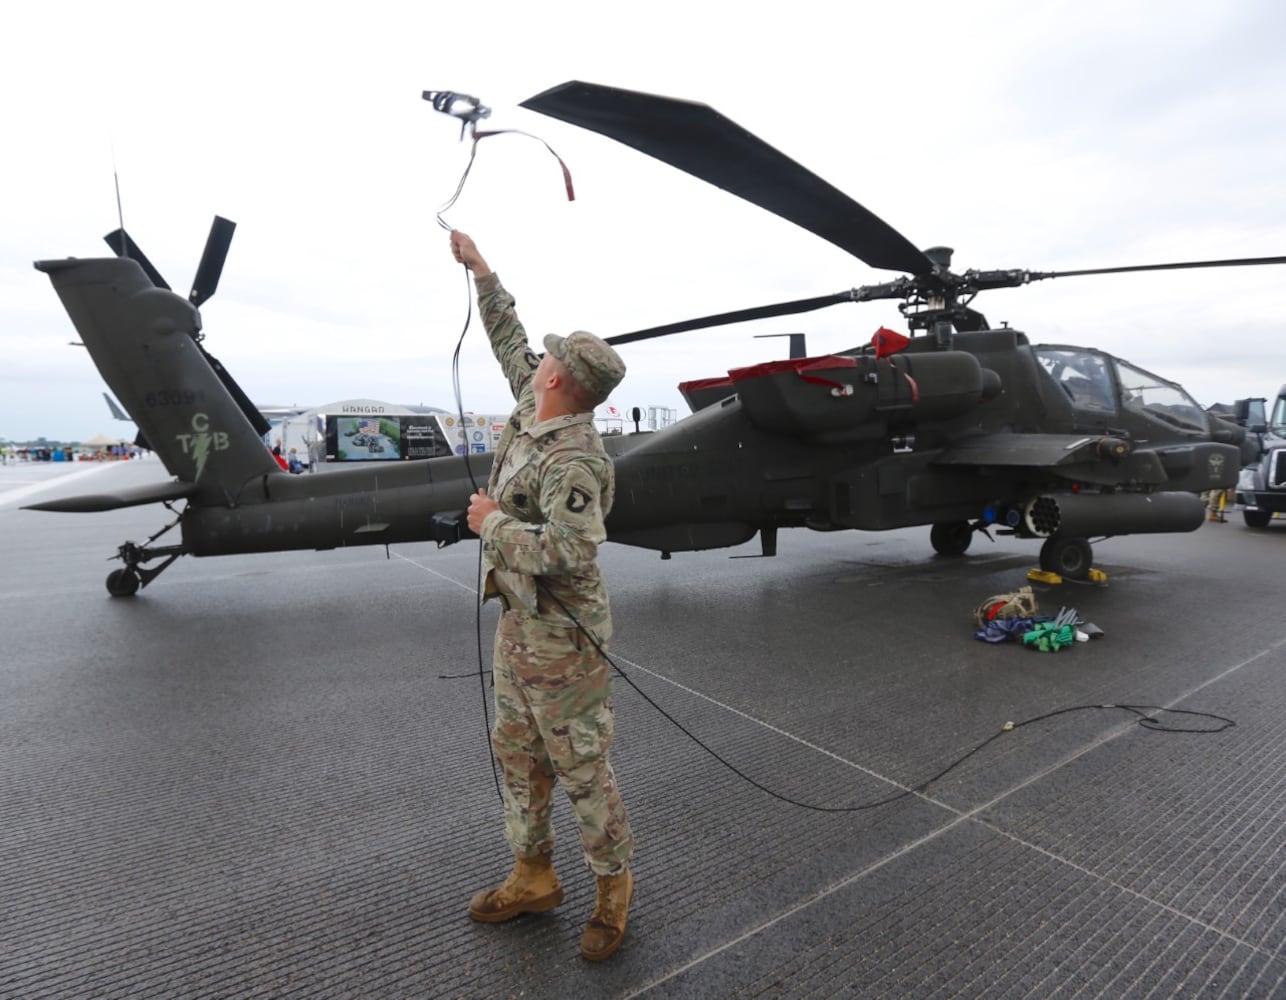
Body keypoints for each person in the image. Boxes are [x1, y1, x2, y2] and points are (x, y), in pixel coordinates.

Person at [452, 230, 635, 962]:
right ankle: (532, 875)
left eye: (548, 359)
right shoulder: (539, 410)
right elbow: (508, 344)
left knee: (581, 765)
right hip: (519, 625)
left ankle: (612, 888)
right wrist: (483, 270)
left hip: (563, 638)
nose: (538, 361)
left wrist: (491, 524)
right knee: (519, 756)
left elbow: (569, 550)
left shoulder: (577, 458)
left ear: (560, 380)